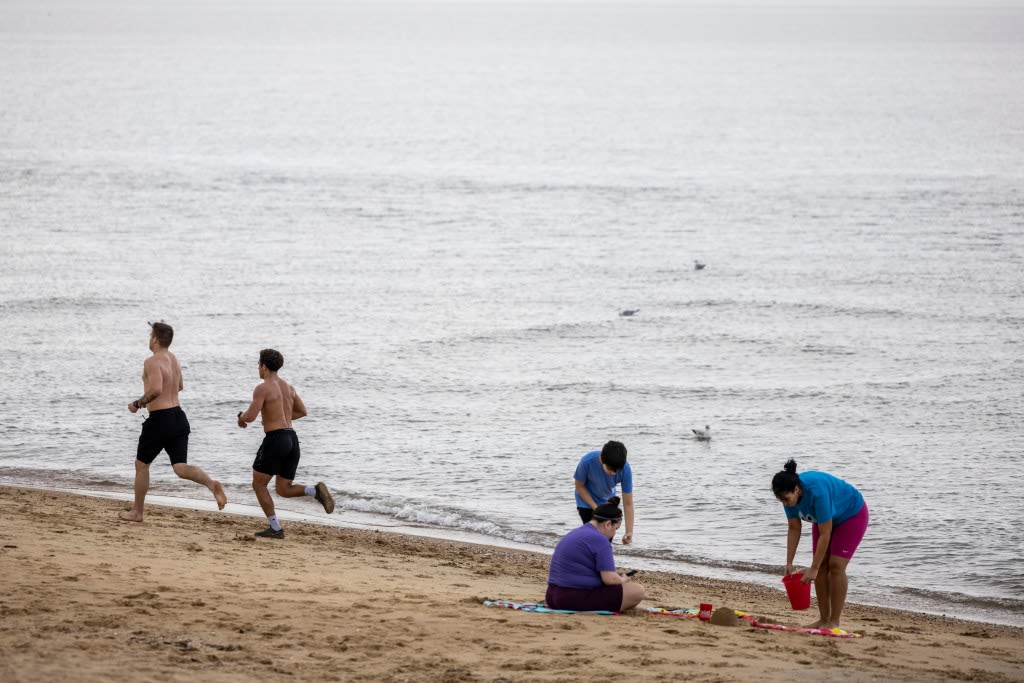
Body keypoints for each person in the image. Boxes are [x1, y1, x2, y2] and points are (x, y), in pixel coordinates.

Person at [120, 322, 227, 522]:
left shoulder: (152, 361)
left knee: (141, 465)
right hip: (178, 417)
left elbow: (156, 390)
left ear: (155, 339)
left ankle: (137, 512)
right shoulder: (174, 359)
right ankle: (212, 484)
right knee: (180, 467)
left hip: (160, 420)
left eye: (150, 334)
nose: (148, 338)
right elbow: (179, 386)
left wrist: (138, 403)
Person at [237, 348, 334, 539]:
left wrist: (240, 417)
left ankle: (275, 528)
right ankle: (314, 491)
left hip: (276, 439)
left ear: (264, 366)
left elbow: (251, 416)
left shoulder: (262, 388)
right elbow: (302, 411)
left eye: (259, 365)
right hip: (292, 439)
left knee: (259, 485)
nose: (258, 368)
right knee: (283, 489)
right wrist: (280, 418)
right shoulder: (289, 388)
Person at [772, 459, 869, 630]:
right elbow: (794, 529)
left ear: (796, 489)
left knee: (836, 565)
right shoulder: (787, 498)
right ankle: (823, 619)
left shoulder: (817, 492)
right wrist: (789, 562)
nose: (786, 504)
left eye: (787, 499)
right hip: (823, 520)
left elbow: (826, 533)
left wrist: (813, 568)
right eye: (782, 501)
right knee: (822, 565)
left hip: (851, 514)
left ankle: (834, 621)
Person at [546, 496, 645, 612]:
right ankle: (619, 606)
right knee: (637, 590)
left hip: (551, 596)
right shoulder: (600, 540)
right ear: (608, 524)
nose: (614, 534)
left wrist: (615, 575)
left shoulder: (576, 533)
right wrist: (623, 579)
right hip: (570, 598)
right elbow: (610, 579)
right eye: (616, 529)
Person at [573, 440, 634, 544]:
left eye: (616, 471)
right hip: (586, 502)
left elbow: (628, 503)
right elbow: (579, 486)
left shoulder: (625, 469)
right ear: (601, 459)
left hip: (607, 502)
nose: (613, 473)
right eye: (610, 469)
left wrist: (629, 531)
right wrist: (596, 508)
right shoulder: (587, 462)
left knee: (607, 539)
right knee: (593, 537)